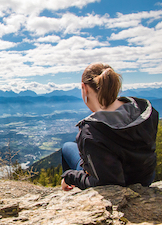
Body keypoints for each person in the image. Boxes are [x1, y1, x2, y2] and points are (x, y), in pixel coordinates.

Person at [61, 62, 159, 191]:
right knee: (68, 147)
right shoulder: (145, 111)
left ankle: (69, 189)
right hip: (145, 179)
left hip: (121, 187)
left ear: (84, 88)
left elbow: (108, 185)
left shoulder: (93, 133)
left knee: (66, 148)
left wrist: (69, 176)